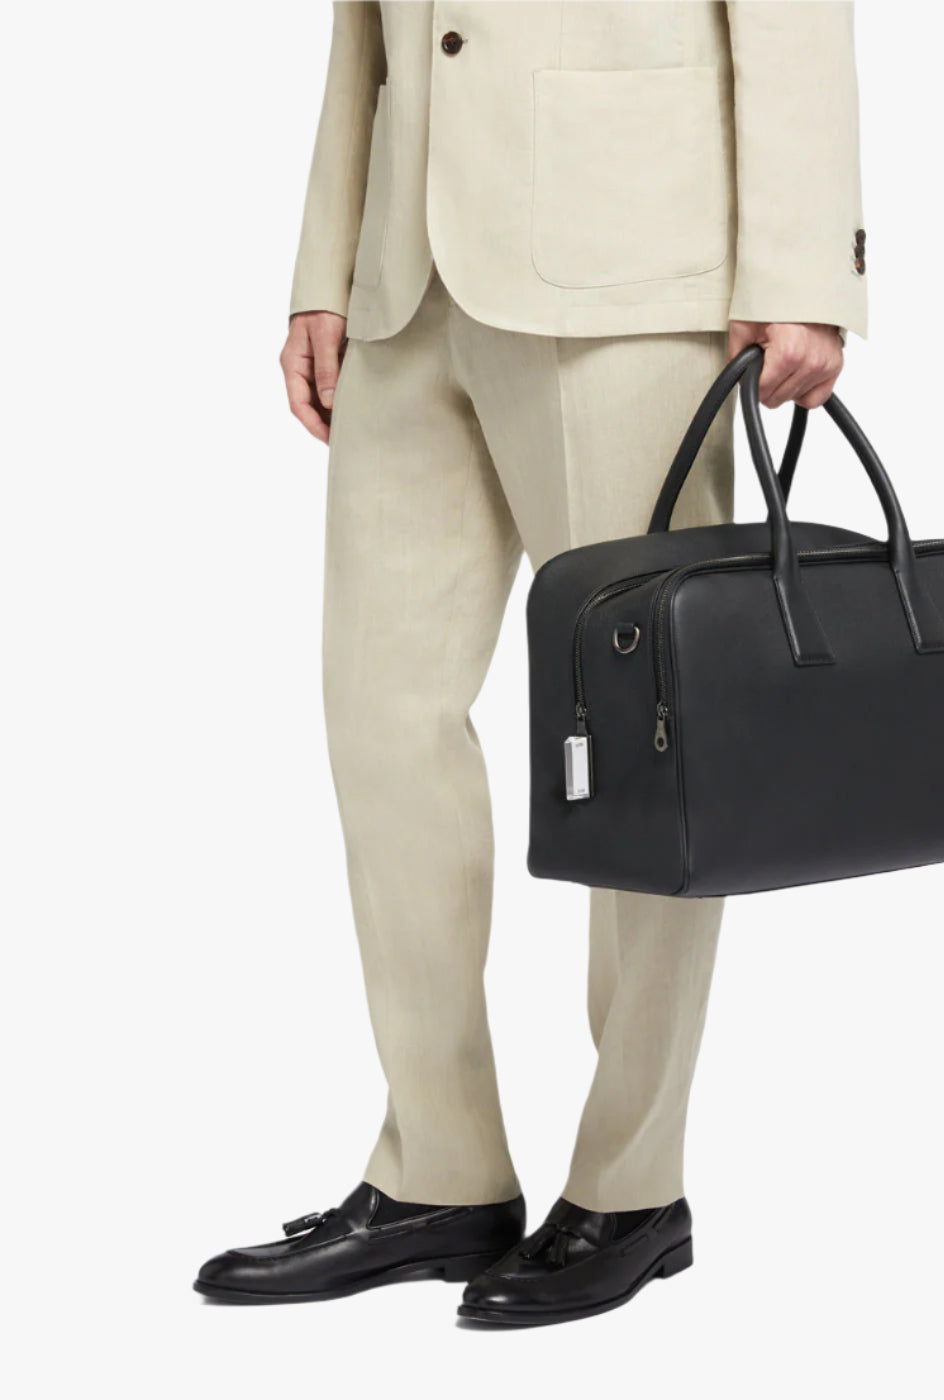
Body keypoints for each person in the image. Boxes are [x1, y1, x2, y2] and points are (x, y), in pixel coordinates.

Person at [195, 0, 867, 1326]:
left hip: (630, 266)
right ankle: (438, 1171)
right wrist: (326, 262)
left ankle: (632, 1187)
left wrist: (803, 269)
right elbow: (363, 27)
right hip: (407, 280)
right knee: (380, 717)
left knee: (649, 738)